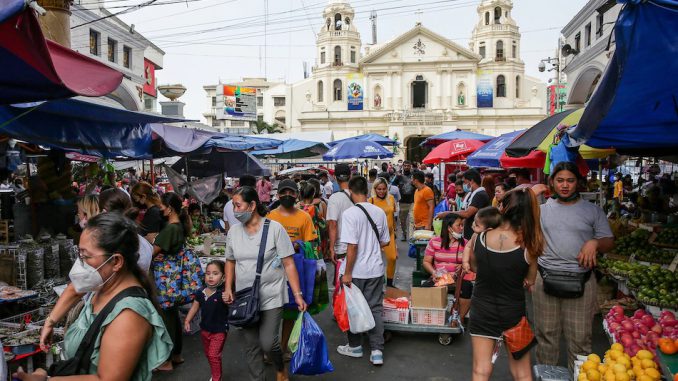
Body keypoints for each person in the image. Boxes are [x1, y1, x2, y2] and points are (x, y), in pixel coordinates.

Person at [19, 213, 172, 381]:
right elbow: (75, 289)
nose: (80, 263)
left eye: (86, 256)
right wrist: (50, 321)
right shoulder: (103, 283)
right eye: (80, 254)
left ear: (116, 262)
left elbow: (107, 379)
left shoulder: (129, 315)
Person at [534, 161, 614, 369]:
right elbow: (509, 218)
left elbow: (609, 242)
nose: (565, 185)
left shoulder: (592, 211)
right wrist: (530, 194)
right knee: (546, 337)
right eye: (560, 180)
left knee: (580, 340)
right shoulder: (540, 210)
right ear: (551, 182)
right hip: (545, 280)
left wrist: (594, 242)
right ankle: (547, 375)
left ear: (578, 183)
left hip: (582, 282)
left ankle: (579, 374)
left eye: (570, 180)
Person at [223, 186, 307, 381]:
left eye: (238, 205)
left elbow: (288, 263)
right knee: (251, 345)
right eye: (233, 206)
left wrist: (297, 294)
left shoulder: (274, 229)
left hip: (271, 294)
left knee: (269, 343)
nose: (235, 211)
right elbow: (230, 260)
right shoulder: (234, 232)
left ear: (252, 205)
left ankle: (279, 367)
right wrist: (228, 287)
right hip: (245, 297)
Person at [467, 188, 545, 381]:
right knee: (522, 373)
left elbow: (475, 267)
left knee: (481, 370)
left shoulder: (480, 237)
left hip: (482, 310)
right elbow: (530, 280)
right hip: (514, 314)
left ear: (502, 207)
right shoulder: (529, 245)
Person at [337, 176, 390, 366]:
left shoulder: (350, 214)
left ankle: (355, 346)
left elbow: (352, 246)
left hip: (356, 271)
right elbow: (386, 240)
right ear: (367, 191)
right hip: (375, 269)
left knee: (353, 308)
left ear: (351, 191)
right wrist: (372, 245)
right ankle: (377, 351)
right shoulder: (379, 212)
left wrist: (347, 272)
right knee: (375, 308)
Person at [266, 178, 317, 361]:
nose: (287, 196)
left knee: (289, 311)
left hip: (296, 271)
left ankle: (284, 346)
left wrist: (297, 246)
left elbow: (310, 246)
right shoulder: (270, 216)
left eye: (291, 192)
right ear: (278, 195)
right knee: (271, 311)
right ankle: (269, 348)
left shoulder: (304, 217)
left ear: (297, 195)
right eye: (284, 192)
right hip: (272, 272)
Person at [152, 192, 192, 371]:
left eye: (161, 205)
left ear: (169, 208)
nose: (159, 208)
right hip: (173, 278)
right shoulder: (178, 226)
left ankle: (166, 360)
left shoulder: (171, 229)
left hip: (165, 279)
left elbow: (152, 252)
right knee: (172, 315)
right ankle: (176, 354)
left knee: (166, 316)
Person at [423, 214, 474, 324]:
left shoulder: (466, 243)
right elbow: (426, 262)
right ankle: (432, 318)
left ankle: (459, 318)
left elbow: (472, 262)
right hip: (440, 277)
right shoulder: (434, 242)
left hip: (458, 278)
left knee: (467, 288)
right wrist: (434, 272)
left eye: (462, 225)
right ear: (449, 228)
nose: (462, 228)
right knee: (424, 289)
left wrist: (464, 264)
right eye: (458, 225)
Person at [183, 260, 228, 381]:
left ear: (223, 276)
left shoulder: (223, 293)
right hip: (205, 330)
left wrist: (229, 298)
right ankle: (216, 373)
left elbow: (232, 303)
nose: (211, 276)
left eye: (215, 273)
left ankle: (216, 378)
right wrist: (187, 320)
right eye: (208, 273)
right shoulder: (201, 292)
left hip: (219, 331)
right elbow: (195, 306)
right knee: (209, 355)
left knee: (213, 355)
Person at [437, 169, 491, 240]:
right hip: (470, 233)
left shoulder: (480, 195)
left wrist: (446, 213)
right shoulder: (472, 194)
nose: (464, 185)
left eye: (465, 182)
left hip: (476, 235)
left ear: (471, 181)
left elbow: (467, 213)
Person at [368, 177, 397, 287]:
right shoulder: (371, 201)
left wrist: (395, 230)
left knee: (392, 258)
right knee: (375, 261)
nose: (381, 191)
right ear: (375, 189)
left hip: (389, 234)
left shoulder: (391, 198)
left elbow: (393, 216)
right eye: (379, 189)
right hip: (375, 236)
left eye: (384, 189)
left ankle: (389, 283)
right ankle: (376, 283)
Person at [327, 163, 354, 263]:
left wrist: (331, 247)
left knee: (342, 277)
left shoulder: (334, 198)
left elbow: (333, 224)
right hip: (358, 246)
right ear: (350, 176)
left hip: (342, 248)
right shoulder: (359, 195)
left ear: (334, 177)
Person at [394, 160, 415, 241]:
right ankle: (404, 233)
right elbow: (393, 185)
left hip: (413, 200)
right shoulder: (399, 176)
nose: (406, 167)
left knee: (412, 219)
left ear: (410, 166)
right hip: (402, 201)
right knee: (403, 220)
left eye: (408, 165)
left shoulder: (414, 175)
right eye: (405, 165)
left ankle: (411, 235)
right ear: (403, 166)